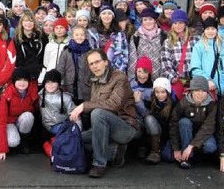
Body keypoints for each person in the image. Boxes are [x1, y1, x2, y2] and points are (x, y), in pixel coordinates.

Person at [68, 49, 139, 178]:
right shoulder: (95, 80)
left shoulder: (119, 78)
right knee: (75, 138)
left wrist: (85, 105)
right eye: (91, 64)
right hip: (104, 128)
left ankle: (99, 163)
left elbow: (114, 104)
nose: (95, 66)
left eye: (97, 62)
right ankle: (116, 152)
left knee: (98, 113)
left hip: (125, 126)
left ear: (106, 62)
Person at [169, 76, 217, 169]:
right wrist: (176, 148)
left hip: (203, 134)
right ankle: (187, 158)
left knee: (211, 147)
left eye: (203, 91)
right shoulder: (183, 103)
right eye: (197, 90)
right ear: (191, 91)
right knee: (184, 122)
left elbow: (209, 126)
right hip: (186, 133)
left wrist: (192, 146)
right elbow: (173, 124)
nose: (200, 94)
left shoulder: (211, 104)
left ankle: (195, 153)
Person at [0, 68, 39, 160]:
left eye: (25, 80)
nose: (22, 83)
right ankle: (16, 141)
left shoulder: (33, 93)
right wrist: (2, 149)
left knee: (28, 116)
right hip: (10, 122)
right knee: (13, 142)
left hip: (23, 122)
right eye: (19, 80)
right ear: (14, 81)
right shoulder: (6, 95)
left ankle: (24, 141)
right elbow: (0, 121)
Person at [190, 17, 224, 97]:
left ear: (217, 30)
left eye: (213, 29)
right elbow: (195, 68)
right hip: (207, 89)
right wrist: (207, 80)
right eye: (208, 29)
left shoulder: (223, 46)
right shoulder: (199, 46)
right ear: (204, 30)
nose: (210, 31)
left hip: (223, 89)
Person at [160, 9, 199, 99]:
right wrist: (173, 77)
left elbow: (199, 59)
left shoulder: (195, 39)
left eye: (181, 23)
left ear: (185, 24)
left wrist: (195, 77)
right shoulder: (168, 42)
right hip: (177, 80)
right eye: (175, 23)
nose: (178, 26)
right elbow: (165, 62)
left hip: (192, 79)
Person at [140, 77, 176, 164]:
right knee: (148, 119)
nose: (160, 95)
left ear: (168, 92)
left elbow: (174, 125)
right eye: (157, 92)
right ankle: (154, 151)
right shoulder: (152, 101)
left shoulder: (174, 104)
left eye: (163, 92)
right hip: (153, 134)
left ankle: (156, 151)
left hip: (167, 135)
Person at [57, 26, 92, 102]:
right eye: (77, 35)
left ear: (85, 36)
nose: (79, 37)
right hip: (69, 86)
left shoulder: (90, 52)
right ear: (72, 37)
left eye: (82, 35)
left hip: (86, 87)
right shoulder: (66, 51)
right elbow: (61, 68)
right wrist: (58, 82)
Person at [128, 8, 164, 80]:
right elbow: (133, 61)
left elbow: (164, 59)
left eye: (150, 19)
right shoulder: (136, 37)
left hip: (158, 79)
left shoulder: (163, 36)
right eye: (145, 20)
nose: (148, 22)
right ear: (142, 21)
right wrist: (132, 81)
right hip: (142, 79)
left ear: (155, 21)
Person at [39, 70, 79, 134]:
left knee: (71, 131)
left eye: (53, 82)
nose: (50, 85)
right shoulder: (40, 96)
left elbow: (74, 113)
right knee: (65, 132)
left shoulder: (65, 97)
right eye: (48, 82)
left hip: (63, 123)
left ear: (58, 84)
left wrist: (78, 129)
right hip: (49, 126)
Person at [14, 13, 46, 81]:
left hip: (39, 72)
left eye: (31, 21)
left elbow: (44, 55)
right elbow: (17, 59)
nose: (28, 23)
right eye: (26, 21)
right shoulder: (17, 39)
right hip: (23, 73)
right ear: (21, 23)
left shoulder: (41, 36)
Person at [39, 17, 70, 84]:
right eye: (57, 28)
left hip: (64, 78)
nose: (59, 30)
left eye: (61, 28)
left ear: (66, 29)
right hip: (50, 76)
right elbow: (46, 63)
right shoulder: (49, 45)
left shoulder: (69, 44)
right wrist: (42, 78)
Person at [104, 9, 130, 73]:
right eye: (119, 21)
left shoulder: (125, 34)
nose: (121, 24)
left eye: (123, 21)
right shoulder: (116, 35)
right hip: (113, 71)